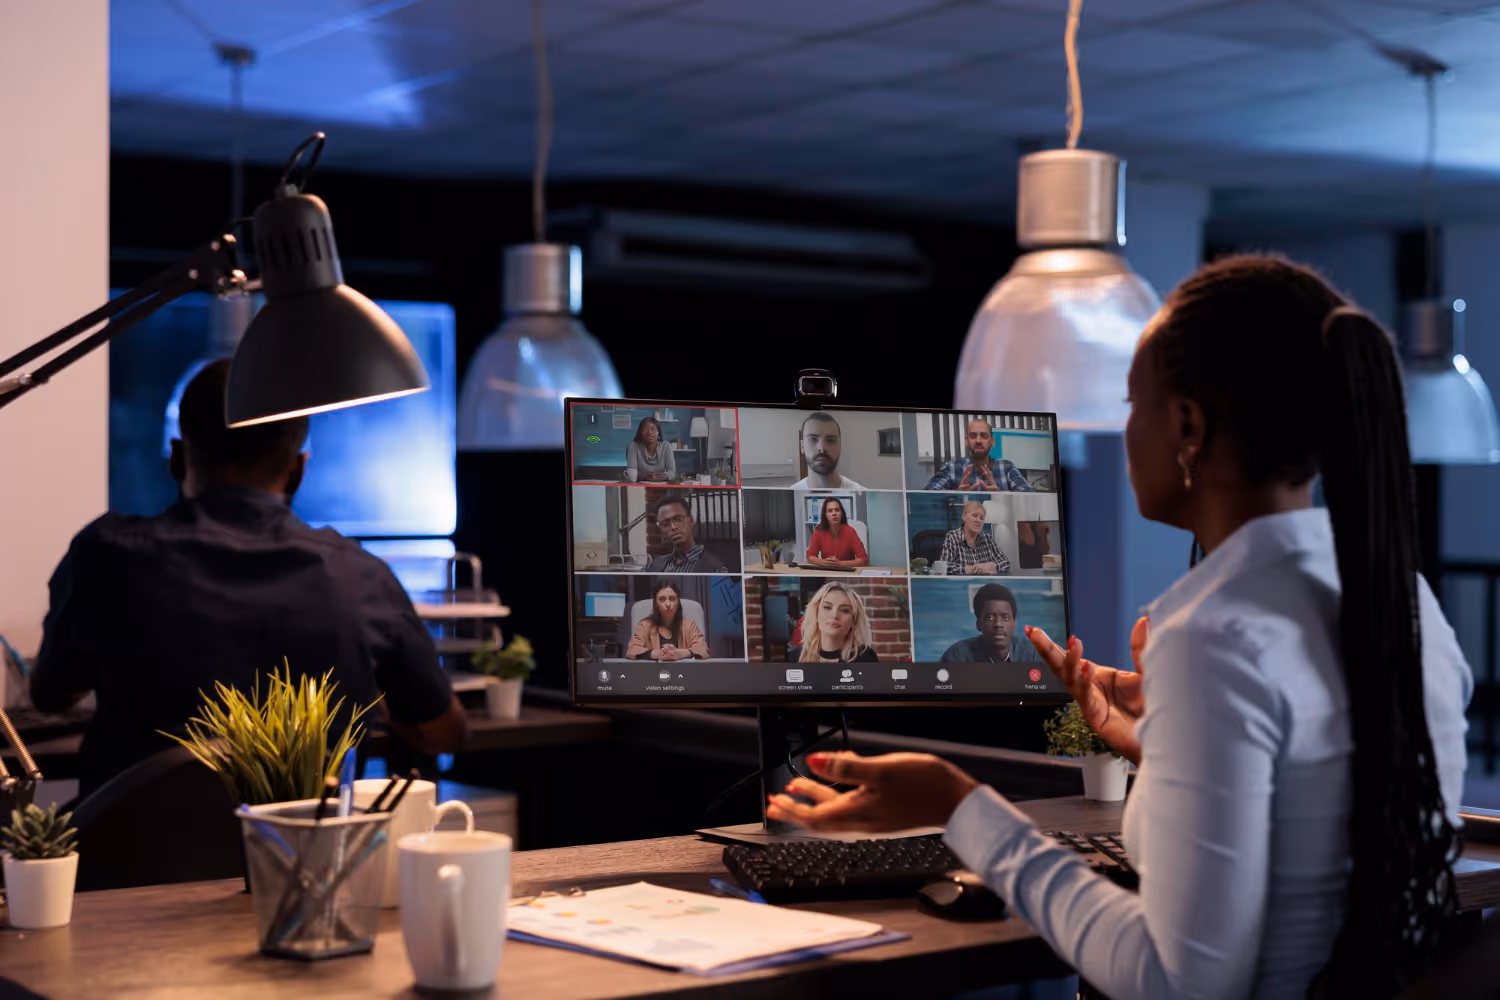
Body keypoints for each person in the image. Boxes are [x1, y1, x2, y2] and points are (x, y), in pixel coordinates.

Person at [764, 255, 1473, 1000]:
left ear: (1188, 426)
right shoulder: (1406, 602)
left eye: (1134, 404)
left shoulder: (1217, 637)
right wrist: (1168, 742)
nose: (1123, 431)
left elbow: (1174, 983)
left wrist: (959, 807)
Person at [31, 359, 467, 797]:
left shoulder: (106, 557)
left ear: (178, 458)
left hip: (132, 859)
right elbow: (446, 733)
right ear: (299, 469)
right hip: (302, 858)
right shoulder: (361, 578)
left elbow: (50, 694)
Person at [925, 419, 1033, 491]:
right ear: (967, 441)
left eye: (984, 436)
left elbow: (1029, 496)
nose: (978, 440)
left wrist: (1001, 496)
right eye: (973, 436)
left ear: (992, 441)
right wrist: (957, 495)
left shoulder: (1006, 468)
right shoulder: (952, 467)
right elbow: (928, 495)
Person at [938, 583, 1036, 663]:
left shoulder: (1031, 655)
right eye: (990, 617)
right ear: (979, 624)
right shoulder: (958, 656)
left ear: (1014, 625)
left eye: (1005, 618)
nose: (998, 624)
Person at [787, 581, 879, 663]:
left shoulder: (865, 657)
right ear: (816, 614)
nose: (835, 615)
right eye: (827, 607)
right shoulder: (795, 656)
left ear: (854, 620)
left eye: (845, 610)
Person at [643, 495, 729, 573]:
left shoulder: (715, 567)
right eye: (665, 524)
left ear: (691, 521)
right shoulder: (655, 565)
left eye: (678, 520)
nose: (673, 527)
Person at [626, 580, 708, 661]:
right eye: (662, 599)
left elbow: (703, 650)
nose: (668, 604)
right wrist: (656, 653)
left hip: (683, 672)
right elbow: (632, 650)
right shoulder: (645, 625)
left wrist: (681, 653)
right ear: (656, 604)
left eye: (672, 599)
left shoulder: (690, 624)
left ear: (678, 602)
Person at [791, 412, 864, 490]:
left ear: (839, 445)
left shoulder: (863, 495)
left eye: (830, 440)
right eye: (813, 439)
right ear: (802, 447)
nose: (822, 448)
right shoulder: (790, 496)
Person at [938, 500, 1009, 576]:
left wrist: (993, 566)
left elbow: (1005, 562)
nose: (978, 520)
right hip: (961, 585)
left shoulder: (988, 539)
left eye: (981, 518)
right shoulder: (952, 537)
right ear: (964, 516)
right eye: (974, 516)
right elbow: (943, 567)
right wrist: (970, 569)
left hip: (985, 585)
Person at [805, 497, 868, 569]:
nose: (834, 513)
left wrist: (840, 564)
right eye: (830, 511)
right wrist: (823, 562)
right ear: (825, 515)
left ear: (842, 513)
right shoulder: (819, 531)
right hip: (827, 572)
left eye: (837, 510)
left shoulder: (850, 531)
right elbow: (810, 556)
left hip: (846, 572)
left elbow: (863, 560)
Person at [625, 415, 674, 482]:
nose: (649, 432)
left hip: (660, 487)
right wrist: (645, 476)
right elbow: (631, 477)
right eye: (645, 429)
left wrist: (659, 477)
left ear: (658, 433)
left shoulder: (666, 446)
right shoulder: (633, 446)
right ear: (640, 433)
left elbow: (672, 474)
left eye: (653, 429)